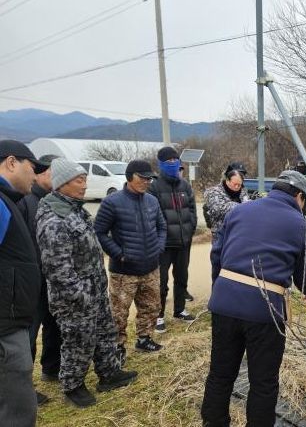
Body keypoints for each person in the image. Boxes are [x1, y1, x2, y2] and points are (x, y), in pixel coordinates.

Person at [201, 170, 306, 427]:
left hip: (225, 303)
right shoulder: (302, 225)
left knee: (220, 374)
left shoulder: (239, 211)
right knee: (263, 382)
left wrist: (222, 289)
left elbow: (217, 254)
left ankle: (213, 423)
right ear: (299, 197)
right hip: (265, 311)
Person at [36, 158, 138, 408]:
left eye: (85, 180)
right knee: (78, 341)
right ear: (62, 184)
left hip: (94, 291)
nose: (84, 185)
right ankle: (73, 386)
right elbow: (58, 270)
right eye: (79, 181)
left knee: (105, 333)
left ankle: (109, 373)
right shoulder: (54, 219)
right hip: (75, 298)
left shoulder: (76, 210)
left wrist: (95, 292)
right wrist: (80, 296)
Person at [94, 160, 167, 365]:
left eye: (149, 178)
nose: (146, 182)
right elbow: (99, 232)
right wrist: (119, 254)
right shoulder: (112, 202)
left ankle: (144, 339)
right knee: (118, 313)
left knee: (151, 306)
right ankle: (117, 347)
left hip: (150, 268)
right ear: (129, 177)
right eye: (142, 178)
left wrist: (159, 247)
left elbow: (162, 227)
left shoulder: (152, 201)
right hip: (124, 271)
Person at [0, 140, 46, 426]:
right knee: (16, 411)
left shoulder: (7, 200)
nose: (36, 175)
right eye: (33, 167)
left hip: (9, 323)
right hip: (5, 330)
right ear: (11, 162)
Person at [17, 153, 61, 405]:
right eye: (54, 173)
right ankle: (24, 387)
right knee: (29, 333)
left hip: (51, 277)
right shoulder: (25, 201)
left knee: (53, 325)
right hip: (31, 279)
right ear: (41, 173)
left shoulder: (53, 200)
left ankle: (52, 367)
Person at [149, 146, 197, 333]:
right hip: (164, 244)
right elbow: (152, 215)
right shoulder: (154, 187)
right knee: (160, 282)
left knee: (182, 277)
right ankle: (158, 316)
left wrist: (190, 230)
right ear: (161, 164)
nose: (173, 163)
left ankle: (180, 310)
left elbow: (192, 210)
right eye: (168, 161)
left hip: (184, 241)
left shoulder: (185, 185)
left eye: (175, 160)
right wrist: (160, 237)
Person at [203, 165, 250, 243]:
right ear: (227, 180)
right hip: (221, 236)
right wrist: (244, 206)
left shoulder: (242, 191)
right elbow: (219, 209)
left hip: (240, 234)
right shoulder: (213, 192)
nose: (237, 187)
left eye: (239, 185)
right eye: (235, 184)